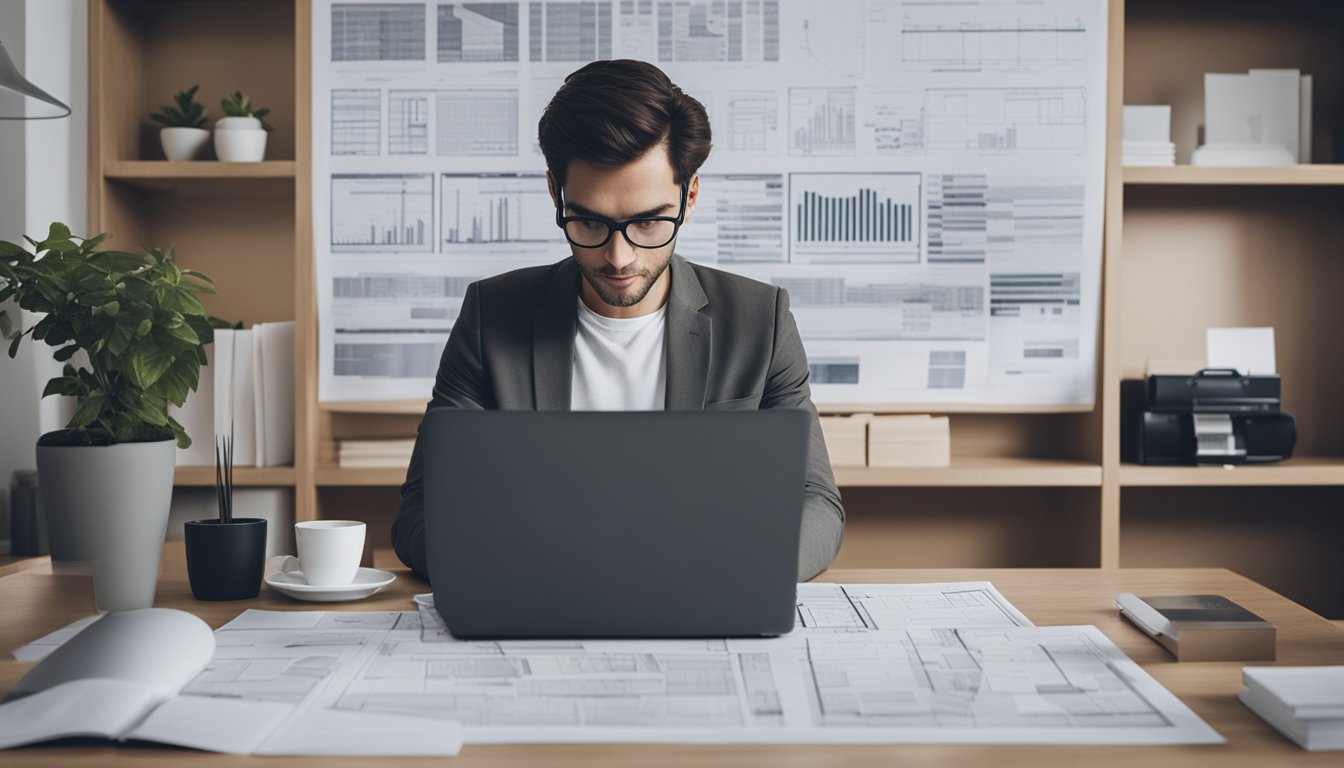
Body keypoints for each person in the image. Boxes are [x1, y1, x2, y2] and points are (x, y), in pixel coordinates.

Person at [393, 59, 844, 582]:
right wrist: (525, 565)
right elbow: (420, 511)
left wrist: (733, 570)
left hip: (704, 603)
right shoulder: (490, 317)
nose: (619, 257)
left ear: (689, 197)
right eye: (589, 221)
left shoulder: (759, 322)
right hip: (538, 606)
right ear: (554, 193)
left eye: (649, 221)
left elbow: (816, 503)